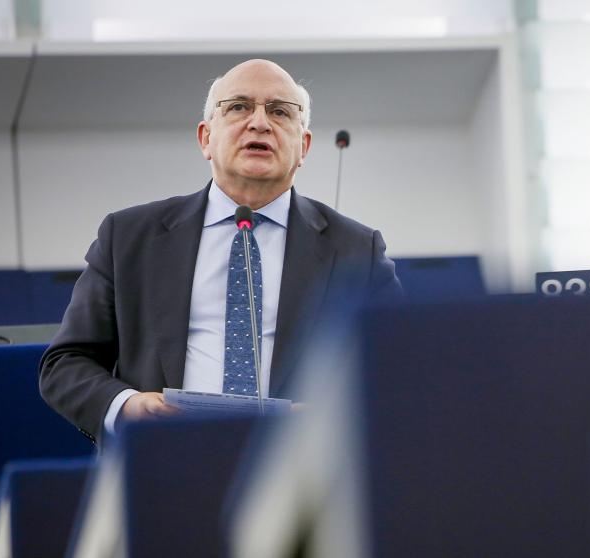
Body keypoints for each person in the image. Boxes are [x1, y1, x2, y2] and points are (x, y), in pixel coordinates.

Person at [39, 59, 401, 444]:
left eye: (280, 111)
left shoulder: (356, 251)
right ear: (206, 138)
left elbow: (401, 371)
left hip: (300, 465)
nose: (260, 123)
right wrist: (128, 406)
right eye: (239, 107)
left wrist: (331, 415)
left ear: (304, 146)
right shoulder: (128, 237)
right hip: (163, 458)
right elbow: (65, 364)